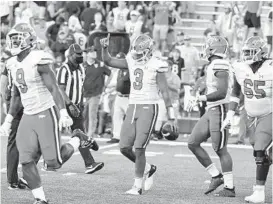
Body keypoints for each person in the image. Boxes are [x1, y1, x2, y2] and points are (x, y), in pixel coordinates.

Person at [0, 23, 93, 204]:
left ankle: (77, 139)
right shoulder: (11, 63)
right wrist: (9, 119)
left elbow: (53, 87)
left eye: (18, 39)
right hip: (28, 115)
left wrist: (63, 112)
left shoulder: (38, 59)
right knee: (26, 160)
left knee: (53, 162)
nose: (13, 42)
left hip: (45, 111)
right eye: (12, 39)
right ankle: (40, 198)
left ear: (29, 40)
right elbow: (17, 94)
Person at [100, 34, 177, 195]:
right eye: (135, 52)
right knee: (124, 147)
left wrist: (171, 115)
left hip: (149, 107)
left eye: (140, 53)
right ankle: (148, 168)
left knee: (139, 147)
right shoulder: (130, 59)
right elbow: (109, 61)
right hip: (132, 106)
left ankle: (137, 186)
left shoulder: (157, 64)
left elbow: (165, 91)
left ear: (149, 51)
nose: (136, 56)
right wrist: (104, 48)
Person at [222, 36, 272, 203]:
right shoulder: (239, 67)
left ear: (262, 53)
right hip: (249, 114)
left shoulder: (270, 68)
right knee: (261, 153)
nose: (247, 55)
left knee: (260, 150)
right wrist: (230, 114)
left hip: (269, 113)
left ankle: (259, 191)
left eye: (250, 52)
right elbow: (236, 92)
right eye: (246, 52)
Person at [186, 36, 235, 197]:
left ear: (213, 48)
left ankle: (229, 187)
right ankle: (216, 176)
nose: (205, 49)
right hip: (212, 110)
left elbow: (221, 93)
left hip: (220, 108)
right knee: (193, 142)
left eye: (207, 46)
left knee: (220, 149)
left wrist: (200, 98)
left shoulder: (220, 64)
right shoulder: (213, 64)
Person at [57, 44, 104, 174]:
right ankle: (51, 160)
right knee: (53, 134)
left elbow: (80, 87)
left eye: (81, 54)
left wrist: (79, 103)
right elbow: (59, 89)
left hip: (76, 106)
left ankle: (89, 163)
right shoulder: (64, 69)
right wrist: (70, 104)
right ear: (70, 55)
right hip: (63, 107)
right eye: (77, 54)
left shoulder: (81, 69)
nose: (80, 56)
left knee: (81, 134)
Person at [0, 53, 28, 190]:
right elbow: (3, 80)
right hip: (24, 102)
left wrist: (5, 100)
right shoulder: (14, 61)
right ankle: (15, 179)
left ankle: (15, 179)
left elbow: (3, 81)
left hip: (19, 102)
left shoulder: (11, 62)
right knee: (16, 141)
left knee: (17, 141)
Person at [82, 45, 111, 138]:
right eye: (92, 52)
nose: (94, 53)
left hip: (95, 93)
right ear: (87, 54)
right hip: (84, 93)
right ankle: (85, 132)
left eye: (95, 51)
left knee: (92, 113)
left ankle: (90, 134)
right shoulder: (83, 65)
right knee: (84, 114)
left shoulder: (100, 64)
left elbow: (110, 73)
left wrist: (105, 85)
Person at [107, 52, 130, 144]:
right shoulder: (119, 71)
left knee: (130, 117)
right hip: (119, 96)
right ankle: (116, 136)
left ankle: (130, 136)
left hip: (128, 97)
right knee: (117, 116)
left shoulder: (130, 70)